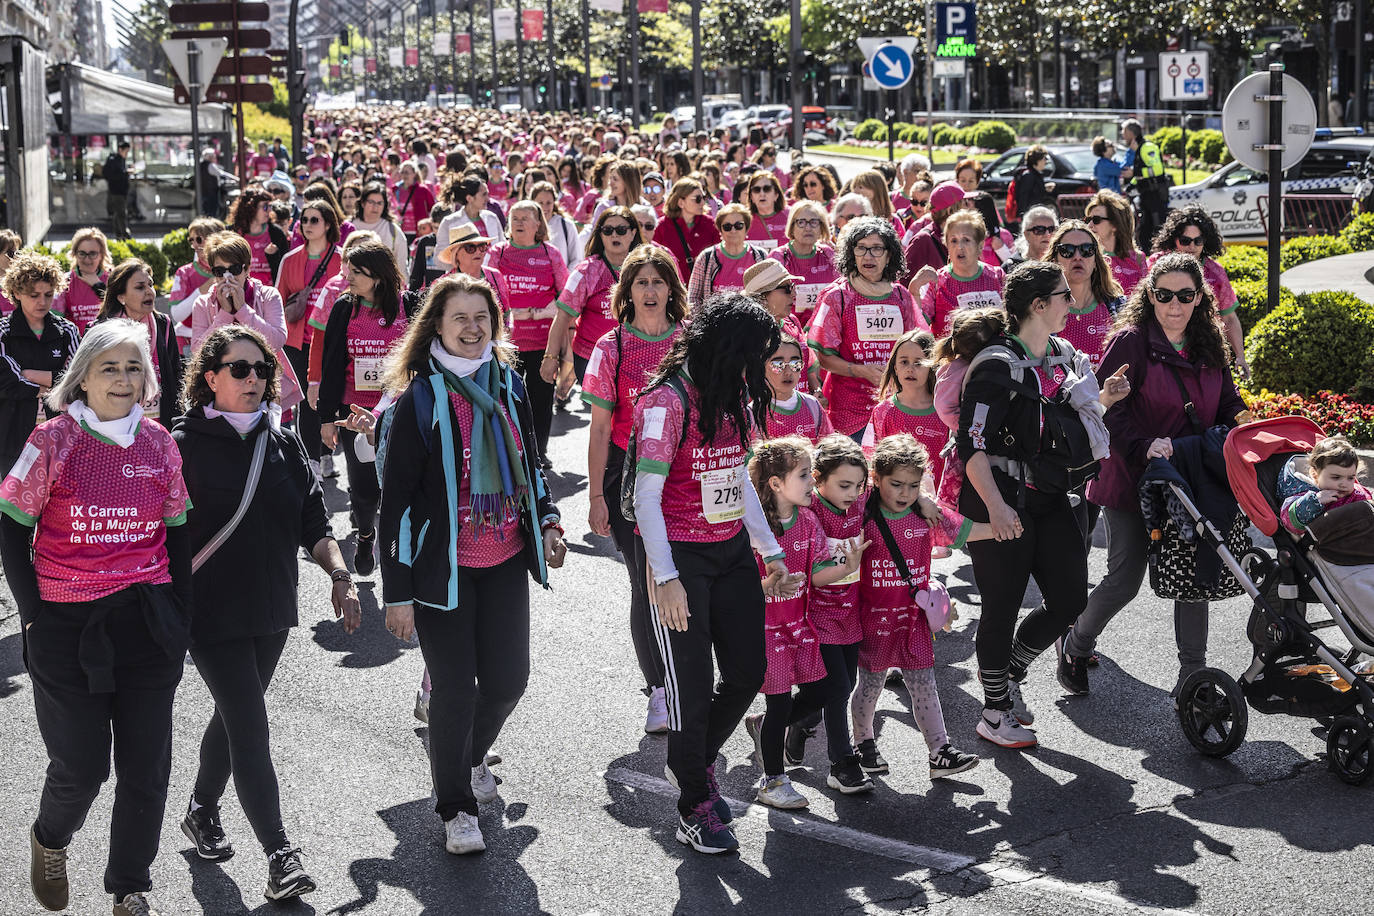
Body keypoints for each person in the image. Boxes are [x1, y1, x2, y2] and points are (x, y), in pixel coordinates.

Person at [0, 319, 192, 916]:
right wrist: (32, 617)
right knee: (82, 768)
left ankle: (130, 886)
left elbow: (178, 532)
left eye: (134, 367)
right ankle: (49, 839)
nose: (123, 378)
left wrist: (178, 612)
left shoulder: (160, 442)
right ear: (81, 377)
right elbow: (12, 529)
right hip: (65, 625)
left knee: (146, 769)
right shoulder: (53, 440)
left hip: (147, 621)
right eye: (110, 366)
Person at [377, 272, 566, 856]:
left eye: (481, 317)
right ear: (436, 324)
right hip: (443, 572)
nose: (471, 327)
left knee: (509, 680)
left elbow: (533, 463)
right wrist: (398, 592)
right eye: (459, 317)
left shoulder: (508, 385)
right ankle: (454, 805)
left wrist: (549, 520)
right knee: (455, 690)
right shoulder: (420, 400)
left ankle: (466, 755)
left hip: (505, 558)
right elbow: (397, 504)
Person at [172, 325, 360, 901]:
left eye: (262, 370)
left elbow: (314, 523)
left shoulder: (283, 443)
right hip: (208, 613)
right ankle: (281, 855)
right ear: (210, 378)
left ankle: (201, 811)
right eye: (239, 369)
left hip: (272, 609)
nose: (254, 379)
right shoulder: (180, 444)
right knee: (251, 726)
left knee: (234, 717)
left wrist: (340, 575)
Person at [631, 292, 790, 854]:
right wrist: (666, 576)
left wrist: (769, 549)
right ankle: (694, 803)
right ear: (730, 352)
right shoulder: (666, 403)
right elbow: (645, 498)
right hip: (681, 559)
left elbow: (738, 478)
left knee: (748, 672)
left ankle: (689, 763)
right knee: (692, 691)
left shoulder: (735, 395)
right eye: (758, 358)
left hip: (729, 553)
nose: (764, 371)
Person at [957, 261, 1128, 748]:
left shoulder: (1065, 354)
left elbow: (1065, 424)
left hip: (1052, 496)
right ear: (1038, 305)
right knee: (1002, 606)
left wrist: (1107, 400)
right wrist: (995, 507)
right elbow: (971, 446)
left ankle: (1010, 672)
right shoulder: (995, 364)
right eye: (1062, 296)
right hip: (1002, 499)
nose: (1070, 304)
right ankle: (993, 712)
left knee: (1071, 599)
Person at [1060, 253, 1244, 699]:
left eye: (1185, 295)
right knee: (1126, 576)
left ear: (1200, 298)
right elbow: (1106, 410)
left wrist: (1245, 421)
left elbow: (1226, 402)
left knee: (1194, 572)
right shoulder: (1130, 342)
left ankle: (1193, 676)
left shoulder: (1209, 341)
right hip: (1131, 477)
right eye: (1164, 295)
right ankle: (1076, 644)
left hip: (1189, 475)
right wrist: (1144, 446)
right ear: (1150, 296)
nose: (1174, 305)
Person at [579, 245, 686, 735]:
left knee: (687, 578)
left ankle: (689, 673)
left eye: (658, 281)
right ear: (626, 292)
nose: (649, 291)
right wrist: (596, 496)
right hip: (627, 476)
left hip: (684, 473)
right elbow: (600, 429)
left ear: (671, 289)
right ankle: (660, 690)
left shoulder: (690, 342)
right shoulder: (611, 347)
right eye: (640, 282)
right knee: (645, 581)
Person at [851, 434, 985, 779]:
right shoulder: (860, 513)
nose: (904, 493)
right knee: (870, 685)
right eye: (895, 484)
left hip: (913, 620)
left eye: (913, 486)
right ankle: (863, 743)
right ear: (875, 478)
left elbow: (962, 530)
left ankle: (940, 751)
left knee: (924, 683)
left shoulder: (925, 518)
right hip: (873, 620)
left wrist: (1006, 527)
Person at [741, 437, 864, 809]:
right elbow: (740, 586)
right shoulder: (754, 525)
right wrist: (767, 584)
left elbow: (817, 573)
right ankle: (773, 781)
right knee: (779, 705)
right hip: (767, 630)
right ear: (776, 483)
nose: (812, 481)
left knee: (828, 690)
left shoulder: (808, 520)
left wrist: (847, 566)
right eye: (803, 475)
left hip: (802, 626)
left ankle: (765, 730)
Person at [782, 433, 874, 792]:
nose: (853, 493)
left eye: (859, 485)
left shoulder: (861, 500)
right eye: (844, 485)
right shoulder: (809, 510)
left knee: (844, 684)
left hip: (849, 609)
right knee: (836, 688)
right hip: (815, 612)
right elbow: (816, 575)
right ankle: (842, 764)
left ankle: (785, 723)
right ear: (818, 479)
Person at [316, 239, 411, 575]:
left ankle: (399, 548)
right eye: (348, 271)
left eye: (357, 272)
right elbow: (331, 365)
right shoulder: (345, 308)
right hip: (355, 415)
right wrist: (327, 418)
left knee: (399, 484)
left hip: (398, 414)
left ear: (379, 275)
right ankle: (366, 534)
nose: (349, 277)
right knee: (364, 487)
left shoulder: (408, 306)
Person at [809, 216, 924, 440]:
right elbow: (823, 357)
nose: (868, 256)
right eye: (861, 248)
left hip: (895, 407)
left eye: (876, 249)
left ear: (890, 255)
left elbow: (919, 348)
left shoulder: (901, 295)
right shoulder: (837, 296)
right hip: (849, 413)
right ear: (851, 254)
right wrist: (860, 370)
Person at [484, 200, 569, 463]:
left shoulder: (550, 253)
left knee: (541, 400)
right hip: (507, 343)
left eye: (525, 218)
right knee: (506, 398)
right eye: (515, 218)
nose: (518, 223)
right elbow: (483, 287)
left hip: (543, 342)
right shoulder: (497, 252)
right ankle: (509, 449)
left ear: (538, 224)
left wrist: (541, 312)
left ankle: (537, 451)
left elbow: (566, 296)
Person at [275, 202, 342, 471]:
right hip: (299, 341)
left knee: (330, 398)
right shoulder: (290, 259)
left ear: (328, 224)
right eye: (304, 220)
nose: (308, 225)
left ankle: (328, 454)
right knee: (306, 401)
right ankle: (311, 460)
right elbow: (279, 297)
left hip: (333, 341)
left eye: (315, 220)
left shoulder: (341, 258)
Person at [543, 206, 642, 385]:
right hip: (592, 357)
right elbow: (563, 316)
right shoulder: (586, 271)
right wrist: (550, 357)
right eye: (607, 230)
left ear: (633, 232)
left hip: (638, 354)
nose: (614, 235)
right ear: (600, 234)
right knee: (603, 412)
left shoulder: (646, 268)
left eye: (621, 230)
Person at [0, 252, 80, 470]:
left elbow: (78, 379)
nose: (42, 302)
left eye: (48, 294)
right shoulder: (2, 332)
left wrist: (30, 375)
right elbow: (7, 383)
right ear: (16, 292)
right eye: (34, 295)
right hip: (12, 436)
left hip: (62, 435)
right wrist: (56, 386)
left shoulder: (67, 330)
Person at [1148, 206, 1249, 381]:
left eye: (1198, 241)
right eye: (1185, 240)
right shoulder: (1156, 264)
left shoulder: (1215, 272)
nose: (1192, 246)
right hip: (1160, 347)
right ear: (1174, 239)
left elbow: (1229, 318)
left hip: (1203, 349)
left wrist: (1240, 356)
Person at [96, 259, 182, 426]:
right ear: (121, 296)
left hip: (159, 422)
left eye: (150, 285)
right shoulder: (100, 329)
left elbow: (175, 372)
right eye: (140, 287)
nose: (149, 291)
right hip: (114, 423)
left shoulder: (163, 324)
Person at [912, 210, 1005, 337]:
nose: (959, 247)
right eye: (953, 241)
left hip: (993, 354)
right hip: (950, 355)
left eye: (966, 240)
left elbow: (1012, 322)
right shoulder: (936, 282)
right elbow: (919, 329)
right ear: (947, 245)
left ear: (980, 245)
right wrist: (914, 291)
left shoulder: (997, 276)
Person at [1278, 436, 1372, 535]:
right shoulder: (1305, 494)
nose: (1344, 484)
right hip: (1330, 544)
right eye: (1336, 477)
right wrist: (1315, 501)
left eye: (1351, 478)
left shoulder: (1356, 493)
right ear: (1315, 474)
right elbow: (1290, 522)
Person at [684, 203, 768, 310]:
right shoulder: (706, 257)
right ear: (720, 231)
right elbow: (693, 298)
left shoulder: (760, 257)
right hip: (715, 324)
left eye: (739, 225)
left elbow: (769, 295)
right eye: (727, 227)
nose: (733, 231)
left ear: (746, 228)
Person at [769, 200, 838, 329]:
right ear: (792, 227)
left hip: (825, 329)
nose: (808, 228)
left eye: (814, 222)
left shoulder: (829, 254)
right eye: (801, 222)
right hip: (787, 331)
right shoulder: (778, 257)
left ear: (821, 227)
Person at [758, 331, 831, 443]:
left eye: (795, 364)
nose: (788, 372)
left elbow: (827, 446)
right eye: (778, 365)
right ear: (762, 368)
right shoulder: (755, 413)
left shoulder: (812, 405)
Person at [169, 218, 226, 349]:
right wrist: (200, 291)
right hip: (187, 340)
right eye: (191, 240)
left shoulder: (232, 270)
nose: (194, 245)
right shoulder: (184, 272)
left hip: (223, 340)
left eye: (199, 239)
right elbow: (177, 315)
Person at [900, 181, 970, 285]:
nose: (970, 208)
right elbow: (904, 284)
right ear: (951, 210)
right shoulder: (923, 240)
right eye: (966, 203)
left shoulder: (968, 235)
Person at [653, 178, 721, 283]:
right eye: (697, 199)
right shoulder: (661, 227)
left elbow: (719, 257)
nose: (702, 202)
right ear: (681, 202)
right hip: (673, 287)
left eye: (703, 197)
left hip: (703, 288)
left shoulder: (711, 224)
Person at [1084, 190, 1146, 295]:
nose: (1089, 225)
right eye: (1088, 219)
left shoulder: (1138, 259)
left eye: (1096, 220)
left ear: (1115, 225)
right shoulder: (1086, 258)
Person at [52, 227, 111, 334]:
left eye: (93, 254)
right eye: (82, 254)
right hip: (76, 346)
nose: (87, 259)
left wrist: (99, 286)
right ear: (74, 254)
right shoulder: (65, 282)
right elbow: (53, 320)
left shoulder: (112, 279)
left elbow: (122, 311)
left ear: (101, 255)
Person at [1120, 118, 1168, 250]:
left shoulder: (1147, 147)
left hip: (1156, 196)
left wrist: (1134, 172)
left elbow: (1157, 169)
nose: (1122, 135)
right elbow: (1140, 175)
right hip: (1146, 196)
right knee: (1145, 231)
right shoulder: (1139, 149)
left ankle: (1161, 254)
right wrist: (1131, 186)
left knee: (1158, 228)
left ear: (1130, 133)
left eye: (1124, 131)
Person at [228, 189, 291, 287]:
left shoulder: (276, 233)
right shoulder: (232, 233)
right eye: (265, 206)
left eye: (270, 206)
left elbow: (286, 269)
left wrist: (274, 256)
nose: (270, 210)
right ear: (251, 208)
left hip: (269, 295)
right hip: (239, 293)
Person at [352, 181, 410, 276]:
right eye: (371, 202)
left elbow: (401, 266)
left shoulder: (393, 230)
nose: (375, 207)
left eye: (379, 203)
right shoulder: (350, 226)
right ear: (362, 203)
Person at [532, 181, 583, 271]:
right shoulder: (527, 226)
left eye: (549, 203)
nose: (545, 207)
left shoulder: (566, 225)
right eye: (540, 203)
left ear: (554, 202)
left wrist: (564, 278)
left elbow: (576, 259)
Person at [743, 171, 789, 250]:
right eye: (756, 190)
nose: (762, 194)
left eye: (767, 189)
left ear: (776, 195)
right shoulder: (742, 219)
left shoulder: (791, 216)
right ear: (751, 197)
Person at [393, 161, 437, 243]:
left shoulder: (422, 190)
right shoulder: (395, 190)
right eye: (402, 172)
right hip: (401, 231)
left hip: (419, 231)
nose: (404, 175)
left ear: (414, 174)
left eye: (407, 172)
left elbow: (432, 208)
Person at [1011, 145, 1056, 221]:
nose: (1046, 161)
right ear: (1037, 160)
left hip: (1034, 214)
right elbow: (1023, 198)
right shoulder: (1029, 175)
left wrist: (1044, 188)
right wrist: (1024, 218)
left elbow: (1033, 192)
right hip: (1029, 217)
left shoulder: (1035, 174)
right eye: (1044, 158)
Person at [102, 141, 132, 239]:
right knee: (121, 213)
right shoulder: (113, 160)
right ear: (120, 150)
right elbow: (113, 175)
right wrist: (126, 172)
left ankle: (119, 234)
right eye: (126, 151)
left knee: (117, 213)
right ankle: (124, 234)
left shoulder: (121, 161)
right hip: (116, 191)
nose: (127, 154)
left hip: (122, 191)